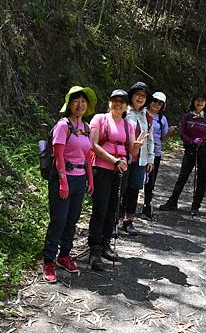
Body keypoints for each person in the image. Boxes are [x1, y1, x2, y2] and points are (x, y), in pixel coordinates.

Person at [87, 89, 148, 271]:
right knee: (100, 209)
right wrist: (114, 160)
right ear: (109, 102)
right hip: (102, 169)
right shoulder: (99, 119)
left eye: (122, 101)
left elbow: (132, 152)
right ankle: (94, 250)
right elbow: (93, 144)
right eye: (115, 100)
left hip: (120, 171)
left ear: (126, 106)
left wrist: (136, 147)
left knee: (113, 209)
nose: (118, 104)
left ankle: (105, 244)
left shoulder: (128, 126)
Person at [42, 86, 97, 283]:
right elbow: (58, 157)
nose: (80, 105)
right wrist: (63, 183)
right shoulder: (63, 125)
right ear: (69, 104)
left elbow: (88, 156)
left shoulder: (88, 127)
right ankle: (48, 261)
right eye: (76, 101)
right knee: (58, 221)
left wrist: (90, 179)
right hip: (62, 178)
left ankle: (64, 256)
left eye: (83, 101)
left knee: (71, 221)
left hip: (80, 179)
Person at [158, 93, 206, 216]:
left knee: (201, 180)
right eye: (197, 100)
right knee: (182, 177)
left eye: (202, 101)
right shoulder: (187, 117)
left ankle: (195, 206)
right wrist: (192, 141)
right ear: (193, 102)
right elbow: (182, 134)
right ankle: (172, 202)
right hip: (189, 151)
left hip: (203, 153)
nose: (199, 103)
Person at [121, 81, 154, 235]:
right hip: (123, 158)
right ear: (131, 96)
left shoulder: (147, 116)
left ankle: (128, 221)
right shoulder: (123, 111)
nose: (140, 98)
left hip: (140, 159)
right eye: (138, 95)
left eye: (143, 96)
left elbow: (150, 138)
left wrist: (150, 159)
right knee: (120, 190)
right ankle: (114, 221)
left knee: (134, 190)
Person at [141, 91, 177, 219]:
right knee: (135, 178)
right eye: (155, 101)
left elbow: (163, 137)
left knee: (151, 180)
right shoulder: (141, 113)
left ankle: (147, 204)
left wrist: (170, 132)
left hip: (155, 152)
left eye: (160, 103)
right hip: (139, 151)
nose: (157, 104)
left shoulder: (162, 119)